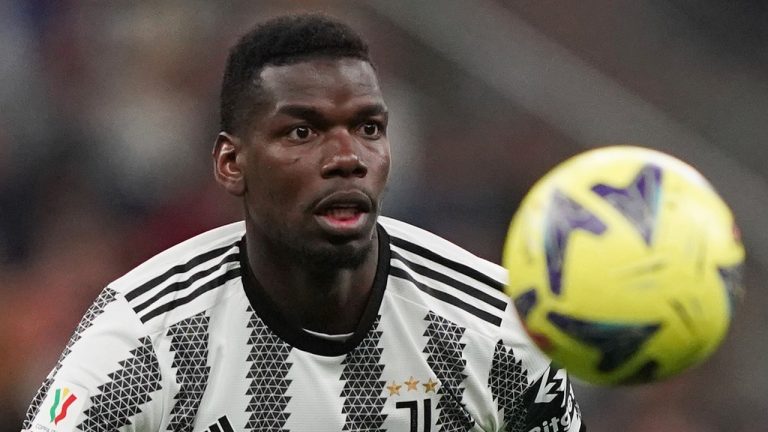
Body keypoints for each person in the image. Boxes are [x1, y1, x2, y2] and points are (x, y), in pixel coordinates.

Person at [23, 14, 585, 432]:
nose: (348, 156)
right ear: (231, 163)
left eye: (368, 128)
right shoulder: (146, 337)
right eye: (302, 132)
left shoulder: (494, 328)